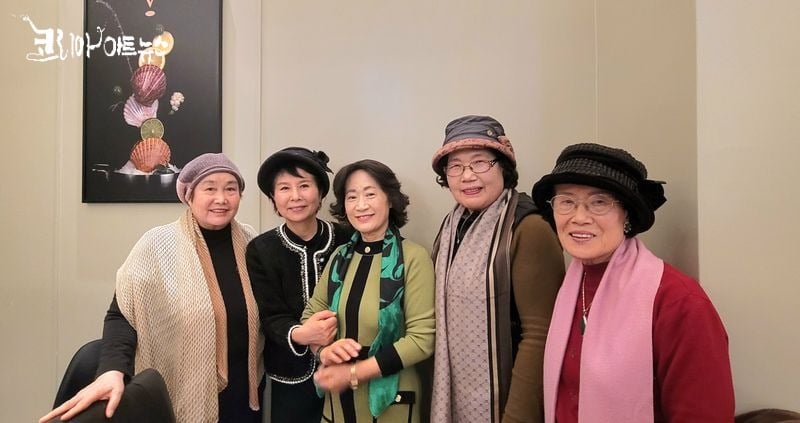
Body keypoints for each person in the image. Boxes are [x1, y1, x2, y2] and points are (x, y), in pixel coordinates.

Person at [40, 153, 264, 423]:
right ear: (189, 195)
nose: (221, 199)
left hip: (244, 395)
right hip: (179, 394)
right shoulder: (157, 245)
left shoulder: (253, 244)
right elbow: (122, 314)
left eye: (231, 189)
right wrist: (111, 370)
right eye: (210, 189)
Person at [531, 143, 735, 422]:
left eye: (599, 202)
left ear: (626, 214)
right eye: (566, 201)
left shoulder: (678, 302)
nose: (579, 218)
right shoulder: (571, 285)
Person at [429, 115, 565, 423]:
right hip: (458, 395)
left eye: (480, 162)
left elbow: (540, 335)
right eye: (455, 166)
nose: (467, 176)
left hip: (509, 403)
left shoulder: (530, 227)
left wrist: (516, 417)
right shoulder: (453, 226)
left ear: (503, 166)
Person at [303, 159, 435, 422]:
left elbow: (422, 340)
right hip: (337, 402)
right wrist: (323, 351)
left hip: (392, 402)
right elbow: (310, 317)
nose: (360, 205)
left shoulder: (413, 257)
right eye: (352, 197)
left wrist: (353, 374)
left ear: (390, 199)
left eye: (370, 194)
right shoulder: (340, 257)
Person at [246, 147, 351, 422]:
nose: (295, 196)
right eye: (284, 188)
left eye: (304, 185)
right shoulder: (260, 249)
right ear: (273, 197)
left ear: (320, 192)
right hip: (290, 376)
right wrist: (302, 334)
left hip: (347, 368)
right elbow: (271, 314)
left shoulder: (347, 238)